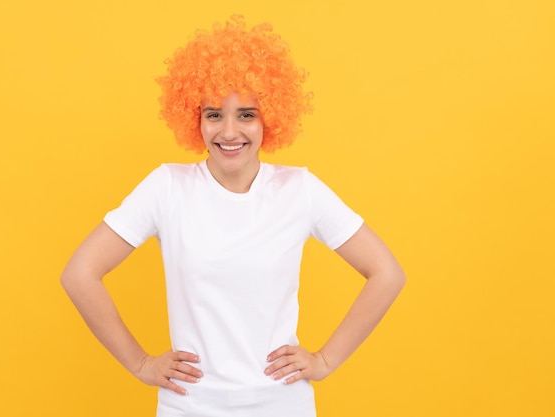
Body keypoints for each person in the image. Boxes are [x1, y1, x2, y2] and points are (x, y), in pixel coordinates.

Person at [61, 15, 406, 417]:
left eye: (246, 114)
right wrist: (140, 364)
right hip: (190, 406)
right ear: (195, 118)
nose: (229, 131)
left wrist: (325, 360)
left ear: (270, 118)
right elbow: (79, 273)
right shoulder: (167, 187)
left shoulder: (300, 190)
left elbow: (387, 273)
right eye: (213, 114)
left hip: (281, 405)